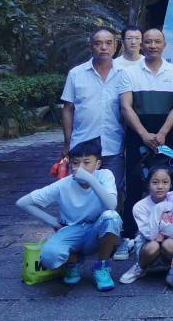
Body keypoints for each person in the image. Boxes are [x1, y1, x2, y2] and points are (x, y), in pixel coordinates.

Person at [16, 138, 121, 291]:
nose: (80, 168)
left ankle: (101, 267)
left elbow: (111, 205)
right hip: (71, 230)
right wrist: (54, 222)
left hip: (96, 229)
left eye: (86, 162)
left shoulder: (105, 175)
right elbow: (22, 202)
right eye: (75, 163)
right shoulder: (63, 184)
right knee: (48, 257)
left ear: (98, 164)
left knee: (112, 217)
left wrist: (90, 179)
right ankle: (73, 261)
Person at [118, 29, 173, 248]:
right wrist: (143, 134)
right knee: (134, 184)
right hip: (136, 137)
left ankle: (168, 233)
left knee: (166, 184)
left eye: (157, 42)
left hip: (167, 137)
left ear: (165, 46)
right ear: (142, 45)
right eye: (148, 42)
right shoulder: (129, 73)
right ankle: (129, 235)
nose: (153, 45)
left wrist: (163, 132)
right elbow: (126, 107)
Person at [60, 28, 125, 226]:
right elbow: (68, 109)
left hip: (114, 144)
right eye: (98, 43)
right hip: (82, 144)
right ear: (91, 47)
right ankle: (80, 229)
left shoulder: (124, 73)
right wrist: (67, 142)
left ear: (116, 46)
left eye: (108, 43)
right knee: (80, 190)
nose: (103, 47)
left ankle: (112, 230)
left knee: (115, 190)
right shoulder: (76, 74)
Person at [119, 164, 173, 284]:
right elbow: (149, 235)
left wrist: (168, 230)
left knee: (169, 244)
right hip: (148, 247)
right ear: (148, 184)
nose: (160, 187)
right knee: (153, 246)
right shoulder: (140, 207)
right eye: (155, 182)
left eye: (165, 182)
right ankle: (140, 267)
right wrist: (158, 210)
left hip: (171, 247)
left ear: (171, 184)